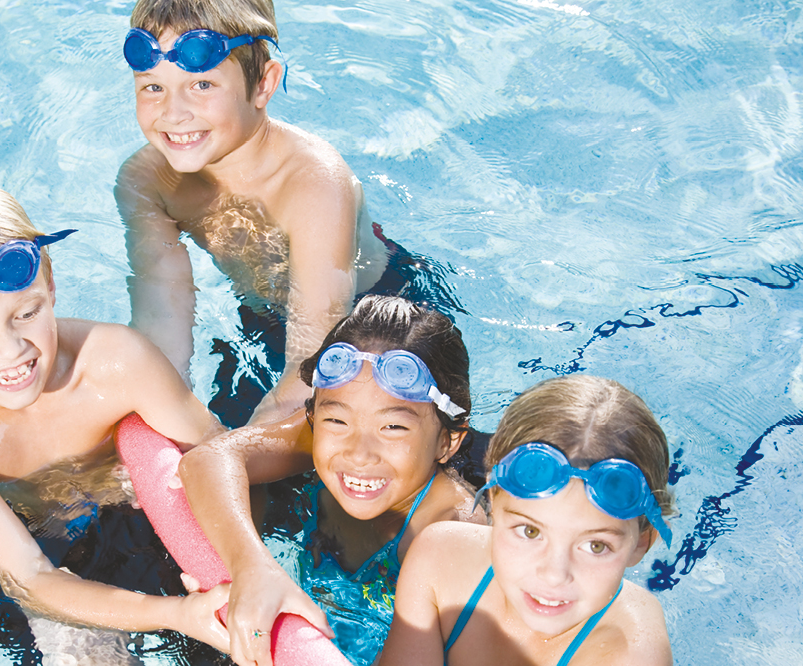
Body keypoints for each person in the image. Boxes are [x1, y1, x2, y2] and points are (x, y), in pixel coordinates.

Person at [0, 181, 230, 659]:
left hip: (131, 512)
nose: (10, 351)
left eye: (26, 313)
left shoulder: (115, 363)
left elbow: (223, 459)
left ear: (51, 285)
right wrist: (177, 615)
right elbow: (30, 578)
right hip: (27, 548)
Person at [115, 0, 393, 427]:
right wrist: (164, 425)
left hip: (374, 319)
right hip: (261, 317)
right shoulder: (147, 180)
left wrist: (236, 453)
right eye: (153, 87)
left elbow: (314, 357)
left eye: (202, 85)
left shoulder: (313, 181)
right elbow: (161, 320)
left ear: (263, 84)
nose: (173, 113)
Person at [179, 295, 488, 666]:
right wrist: (251, 566)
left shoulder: (457, 534)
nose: (359, 453)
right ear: (314, 415)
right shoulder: (317, 438)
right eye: (337, 420)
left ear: (447, 441)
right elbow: (206, 460)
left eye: (393, 427)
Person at [379, 374, 675, 666]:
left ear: (642, 543)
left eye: (596, 546)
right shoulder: (440, 559)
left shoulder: (632, 653)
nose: (554, 574)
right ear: (493, 501)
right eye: (530, 531)